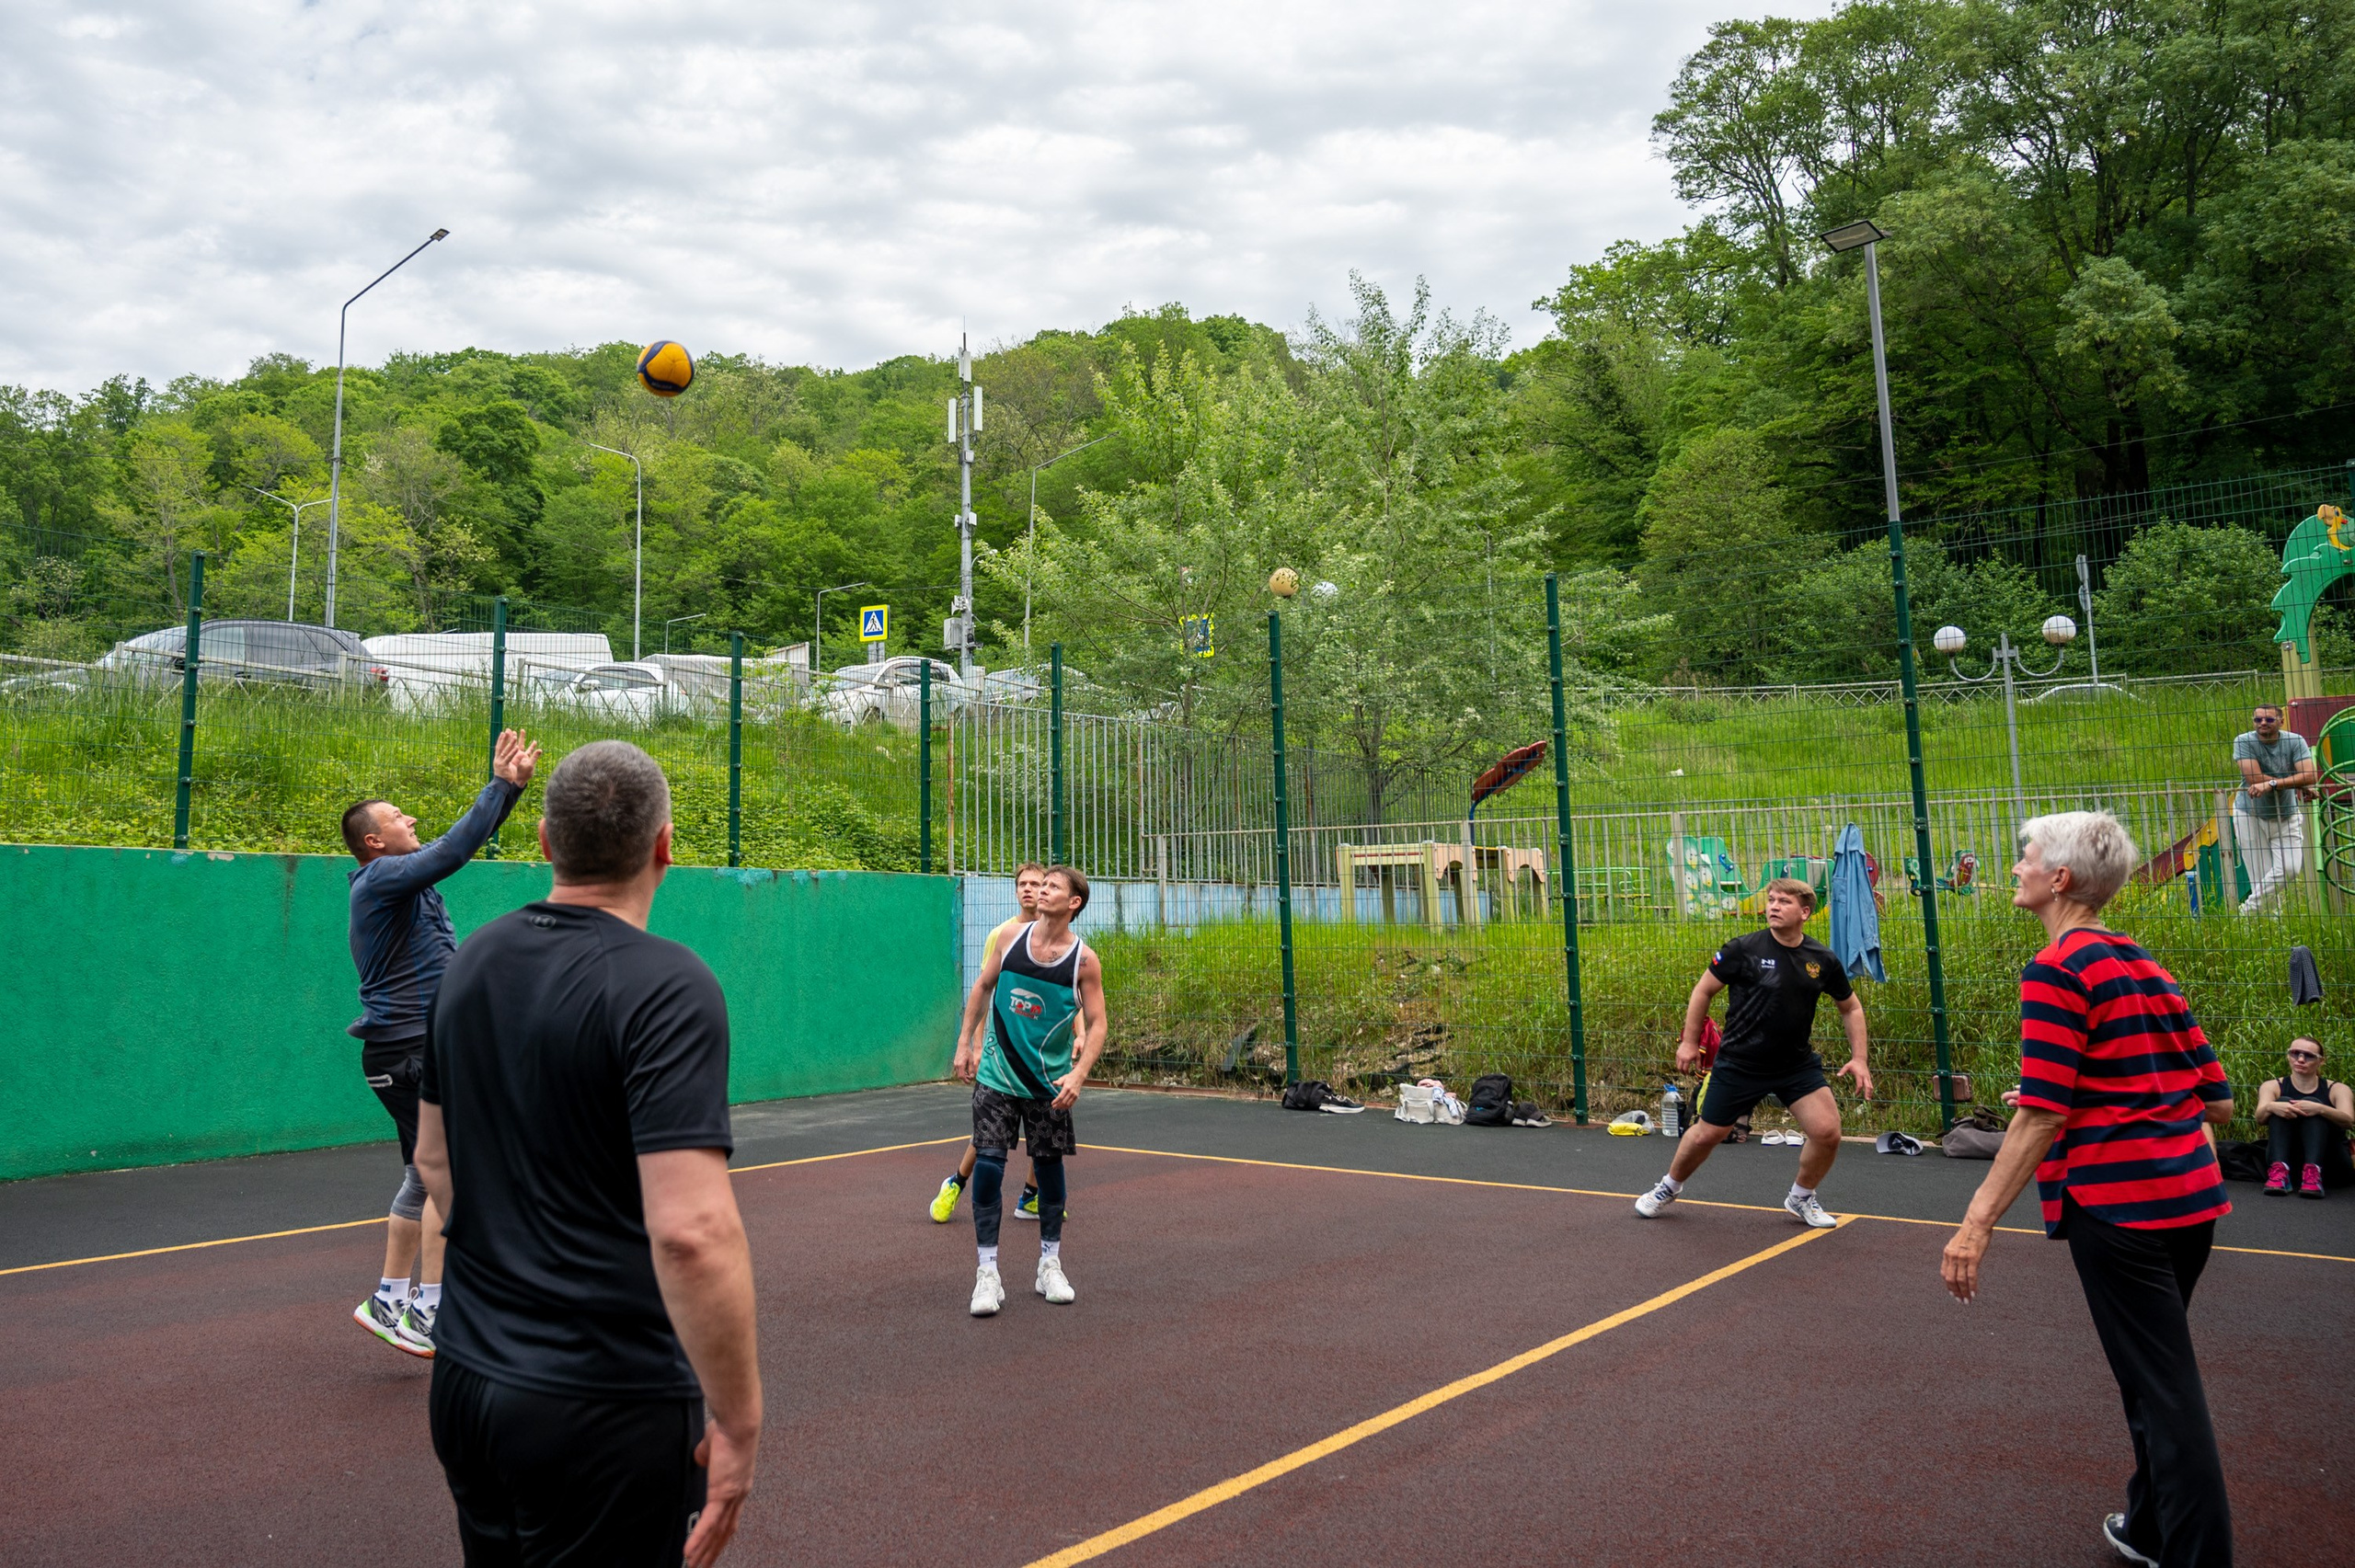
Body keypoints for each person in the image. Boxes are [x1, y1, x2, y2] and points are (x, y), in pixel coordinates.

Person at [413, 739, 759, 1568]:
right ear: (665, 845)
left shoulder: (472, 959)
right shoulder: (667, 984)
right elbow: (692, 1232)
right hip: (603, 1398)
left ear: (544, 840)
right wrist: (739, 1420)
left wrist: (516, 1261)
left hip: (466, 1379)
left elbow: (433, 1158)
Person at [1941, 810, 2234, 1568]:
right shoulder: (2144, 964)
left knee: (2166, 1391)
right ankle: (2150, 1528)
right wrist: (2101, 1097)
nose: (2017, 866)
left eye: (2026, 856)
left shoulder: (2056, 968)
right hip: (2191, 1203)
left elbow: (2042, 1114)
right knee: (2151, 1375)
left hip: (2119, 1209)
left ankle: (2199, 1554)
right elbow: (2217, 1102)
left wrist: (1976, 1223)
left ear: (2059, 878)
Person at [342, 729, 539, 1358]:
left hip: (403, 1051)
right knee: (454, 1175)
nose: (412, 820)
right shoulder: (381, 879)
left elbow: (459, 845)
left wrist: (510, 791)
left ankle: (389, 1299)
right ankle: (430, 1310)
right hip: (413, 1052)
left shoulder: (401, 883)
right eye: (399, 816)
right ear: (375, 841)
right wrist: (498, 785)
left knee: (423, 1175)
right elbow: (455, 849)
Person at [1636, 877, 1872, 1229]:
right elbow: (1703, 991)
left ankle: (1801, 1197)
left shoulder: (1821, 959)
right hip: (1740, 1063)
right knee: (1708, 1134)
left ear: (1805, 912)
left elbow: (1850, 1007)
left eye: (1784, 902)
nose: (1773, 906)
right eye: (1771, 899)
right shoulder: (1742, 949)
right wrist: (1689, 1042)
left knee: (1827, 1133)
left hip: (1795, 1065)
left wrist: (1860, 1059)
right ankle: (1668, 1187)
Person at [950, 864, 1106, 1316]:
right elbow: (983, 987)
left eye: (1052, 886)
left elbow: (1098, 1024)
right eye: (1040, 884)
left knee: (1049, 1168)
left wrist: (1078, 1075)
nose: (1041, 890)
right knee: (989, 1163)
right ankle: (987, 1273)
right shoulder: (1008, 938)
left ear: (1073, 902)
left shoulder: (1083, 961)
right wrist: (965, 1043)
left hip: (1048, 1083)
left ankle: (1049, 1264)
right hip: (997, 1075)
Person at [930, 863, 1050, 1223]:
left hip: (1043, 1050)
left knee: (1045, 1127)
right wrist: (976, 1045)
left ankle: (1031, 1197)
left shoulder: (1059, 937)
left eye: (1036, 883)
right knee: (992, 1127)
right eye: (1022, 883)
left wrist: (1078, 1036)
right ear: (1016, 891)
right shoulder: (1002, 935)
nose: (1028, 889)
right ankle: (956, 1182)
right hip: (1003, 1050)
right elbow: (985, 989)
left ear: (1047, 891)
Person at [2233, 703, 2317, 914]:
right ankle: (2269, 925)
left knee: (2290, 868)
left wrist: (2272, 784)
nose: (2263, 723)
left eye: (2269, 719)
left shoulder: (2295, 741)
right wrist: (2296, 783)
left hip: (2286, 813)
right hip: (2250, 813)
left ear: (2281, 721)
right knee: (2260, 876)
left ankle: (2246, 911)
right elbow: (2254, 778)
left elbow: (2310, 775)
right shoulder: (2243, 741)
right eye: (2258, 719)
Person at [2255, 1036, 2354, 1197]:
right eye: (2295, 1053)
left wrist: (2320, 1109)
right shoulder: (2271, 1086)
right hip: (2291, 1161)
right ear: (2288, 1056)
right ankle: (2280, 1170)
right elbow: (2260, 1118)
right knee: (2282, 1103)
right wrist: (2271, 1107)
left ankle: (2313, 1171)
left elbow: (2349, 1121)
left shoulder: (2338, 1089)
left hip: (2330, 1163)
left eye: (2309, 1056)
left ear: (2321, 1061)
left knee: (2313, 1104)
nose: (2300, 1059)